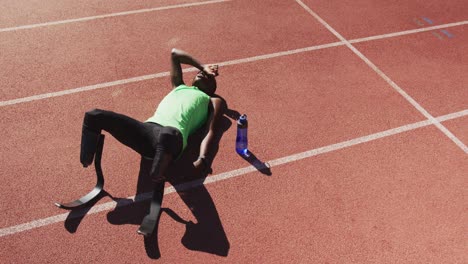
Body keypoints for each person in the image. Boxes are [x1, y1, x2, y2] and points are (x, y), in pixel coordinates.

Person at [80, 48, 225, 188]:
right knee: (94, 115)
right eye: (200, 72)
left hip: (174, 138)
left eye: (209, 77)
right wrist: (203, 66)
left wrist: (203, 159)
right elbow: (175, 54)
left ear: (213, 88)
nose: (203, 74)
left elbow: (210, 131)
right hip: (147, 131)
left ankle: (157, 172)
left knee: (168, 133)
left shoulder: (212, 100)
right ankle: (86, 160)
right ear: (192, 79)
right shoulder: (178, 86)